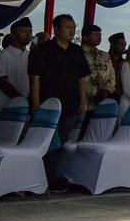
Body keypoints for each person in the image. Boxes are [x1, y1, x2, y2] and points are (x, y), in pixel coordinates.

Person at [28, 13, 90, 192]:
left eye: (73, 27)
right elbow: (35, 78)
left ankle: (52, 177)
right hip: (47, 104)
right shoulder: (43, 50)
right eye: (68, 27)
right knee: (45, 141)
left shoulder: (76, 51)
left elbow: (82, 79)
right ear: (56, 29)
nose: (72, 31)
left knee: (61, 142)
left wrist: (83, 101)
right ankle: (39, 176)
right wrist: (36, 103)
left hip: (70, 103)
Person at [0, 17, 32, 141]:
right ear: (12, 34)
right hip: (1, 106)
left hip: (22, 107)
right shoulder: (3, 55)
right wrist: (20, 98)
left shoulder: (31, 56)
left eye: (29, 31)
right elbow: (1, 81)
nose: (28, 35)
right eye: (23, 31)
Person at [81, 24, 116, 114]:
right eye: (95, 35)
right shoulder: (78, 54)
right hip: (83, 101)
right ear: (85, 37)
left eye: (100, 35)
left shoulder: (105, 55)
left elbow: (111, 74)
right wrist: (91, 93)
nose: (99, 37)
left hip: (103, 100)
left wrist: (106, 90)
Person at [107, 32, 127, 101]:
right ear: (113, 45)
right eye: (121, 45)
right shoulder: (105, 60)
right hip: (107, 95)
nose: (124, 47)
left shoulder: (125, 62)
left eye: (125, 45)